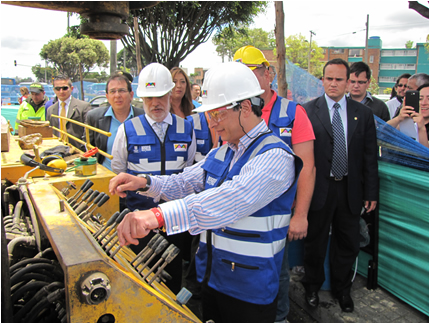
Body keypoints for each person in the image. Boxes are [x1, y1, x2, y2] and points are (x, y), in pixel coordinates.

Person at [109, 61, 303, 323]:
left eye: (217, 114)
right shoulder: (224, 151)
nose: (211, 123)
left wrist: (156, 216)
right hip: (214, 279)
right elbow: (186, 182)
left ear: (245, 107)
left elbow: (230, 200)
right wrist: (144, 182)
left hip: (249, 289)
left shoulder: (274, 156)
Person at [233, 45, 315, 323]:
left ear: (268, 73)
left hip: (277, 217)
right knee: (240, 271)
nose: (247, 80)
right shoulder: (233, 111)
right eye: (240, 75)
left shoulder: (293, 113)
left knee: (276, 273)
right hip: (240, 212)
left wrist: (301, 215)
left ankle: (279, 319)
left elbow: (307, 168)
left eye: (254, 72)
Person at [110, 62, 196, 294]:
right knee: (139, 283)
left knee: (172, 281)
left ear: (170, 94)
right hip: (139, 225)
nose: (155, 103)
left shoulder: (186, 129)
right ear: (141, 98)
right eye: (148, 98)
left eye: (160, 96)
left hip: (174, 224)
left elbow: (188, 172)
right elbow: (119, 169)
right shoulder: (127, 130)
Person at [302, 58, 379, 313]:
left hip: (349, 189)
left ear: (348, 82)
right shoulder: (307, 111)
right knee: (315, 241)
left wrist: (370, 193)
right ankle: (312, 287)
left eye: (338, 79)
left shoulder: (364, 114)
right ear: (322, 79)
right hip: (319, 189)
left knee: (347, 243)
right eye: (328, 78)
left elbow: (369, 157)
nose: (333, 84)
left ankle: (342, 290)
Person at [84, 73, 144, 171]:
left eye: (122, 90)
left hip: (138, 180)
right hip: (106, 178)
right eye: (112, 91)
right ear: (107, 96)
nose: (117, 95)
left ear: (131, 95)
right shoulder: (94, 117)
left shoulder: (143, 117)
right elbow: (87, 148)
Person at [46, 75, 91, 149]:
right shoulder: (50, 110)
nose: (61, 91)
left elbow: (88, 133)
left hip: (77, 152)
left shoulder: (84, 107)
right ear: (54, 90)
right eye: (58, 89)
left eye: (64, 88)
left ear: (71, 88)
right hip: (57, 151)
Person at [415, 83, 429, 147]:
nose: (423, 103)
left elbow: (425, 155)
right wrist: (399, 118)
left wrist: (422, 129)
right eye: (420, 99)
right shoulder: (410, 122)